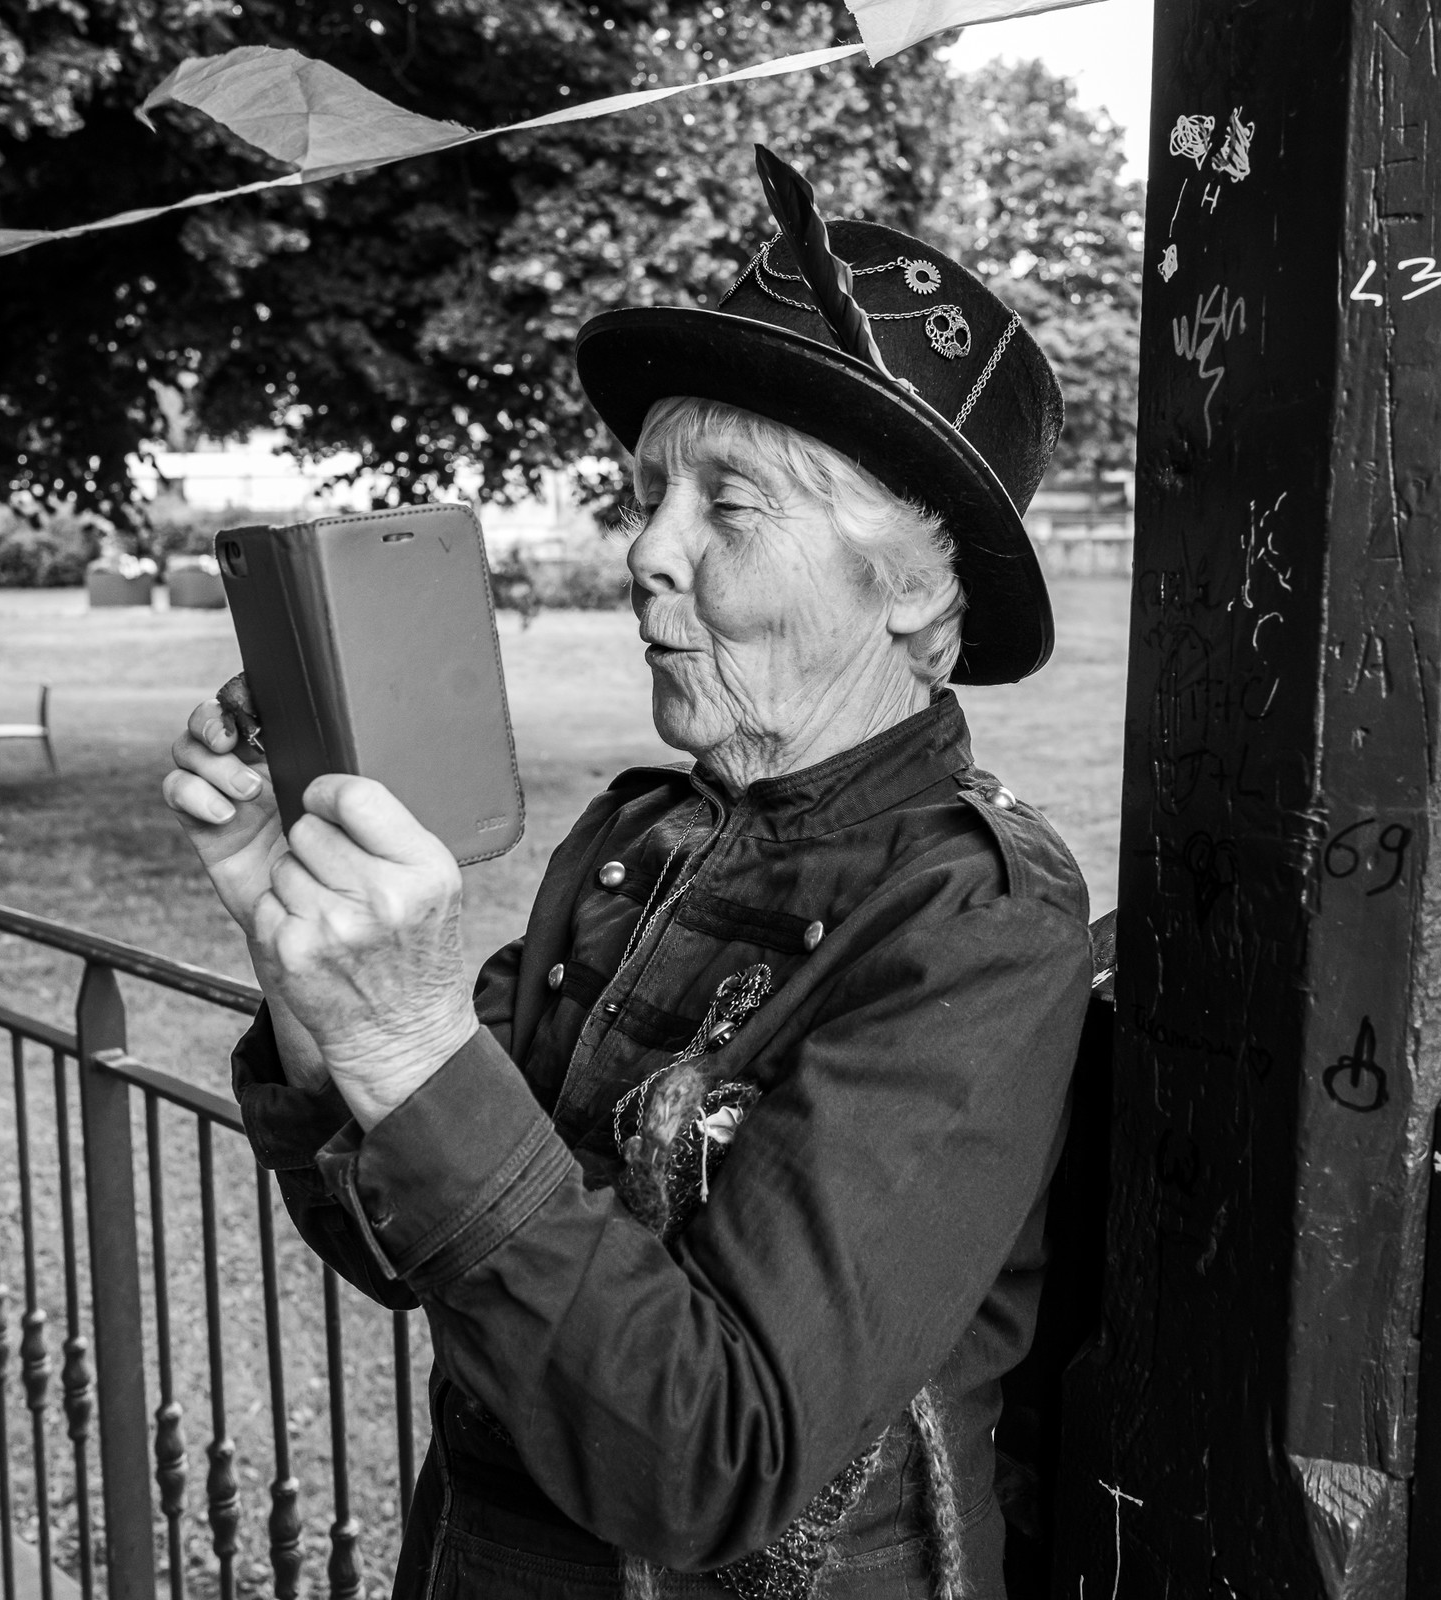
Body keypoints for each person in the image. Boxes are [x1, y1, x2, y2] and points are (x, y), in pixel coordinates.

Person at [164, 164, 1091, 1600]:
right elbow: (402, 1246)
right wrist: (311, 969)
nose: (645, 554)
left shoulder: (975, 913)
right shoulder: (637, 840)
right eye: (649, 495)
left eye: (730, 505)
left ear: (910, 586)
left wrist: (414, 1041)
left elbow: (705, 1463)